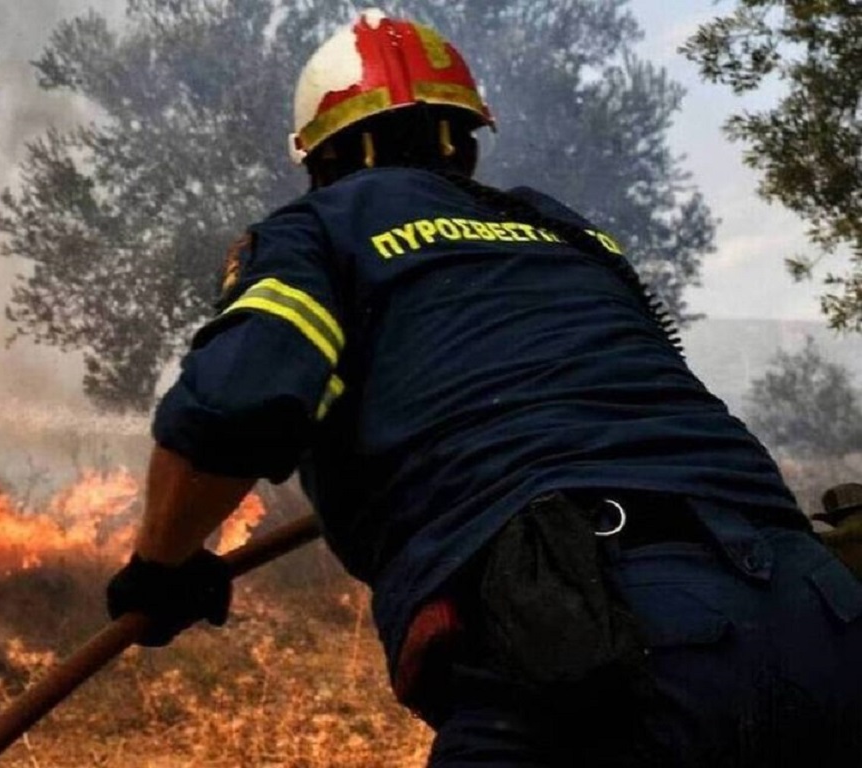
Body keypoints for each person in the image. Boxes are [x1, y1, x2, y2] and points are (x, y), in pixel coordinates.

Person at [105, 9, 862, 766]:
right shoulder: (563, 233)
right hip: (822, 609)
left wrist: (159, 568)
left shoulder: (317, 231)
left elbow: (233, 406)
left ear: (322, 158)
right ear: (464, 143)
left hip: (598, 636)